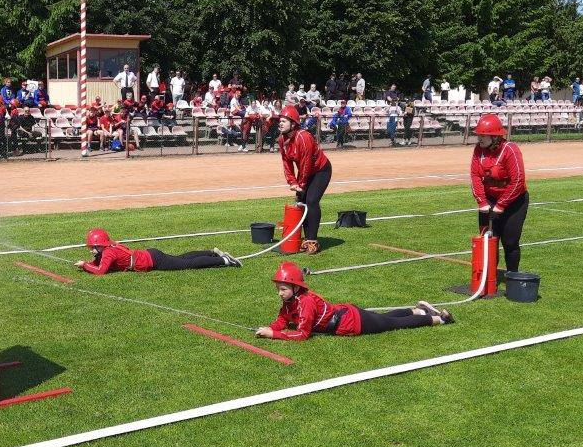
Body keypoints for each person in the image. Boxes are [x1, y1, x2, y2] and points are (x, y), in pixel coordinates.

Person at [255, 261, 453, 341]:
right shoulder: (291, 301)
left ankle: (439, 319)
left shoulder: (304, 302)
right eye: (278, 289)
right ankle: (417, 310)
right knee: (385, 319)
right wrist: (272, 327)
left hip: (352, 322)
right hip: (348, 314)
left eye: (283, 289)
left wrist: (274, 335)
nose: (280, 293)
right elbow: (283, 319)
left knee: (393, 324)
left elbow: (302, 334)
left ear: (296, 287)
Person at [470, 113, 529, 274]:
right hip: (489, 200)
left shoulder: (510, 150)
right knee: (488, 241)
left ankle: (512, 277)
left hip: (514, 202)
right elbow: (475, 175)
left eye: (483, 135)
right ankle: (489, 278)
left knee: (510, 241)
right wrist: (482, 201)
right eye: (479, 135)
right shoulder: (478, 150)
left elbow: (517, 180)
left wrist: (501, 205)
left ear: (494, 136)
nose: (479, 138)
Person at [277, 105, 332, 255]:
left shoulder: (303, 137)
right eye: (280, 121)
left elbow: (306, 163)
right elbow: (286, 163)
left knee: (312, 201)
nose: (280, 123)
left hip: (321, 171)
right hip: (305, 172)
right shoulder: (282, 139)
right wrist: (292, 182)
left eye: (284, 121)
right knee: (301, 202)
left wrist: (301, 184)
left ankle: (312, 241)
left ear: (293, 123)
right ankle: (305, 239)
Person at [76, 228, 240, 274]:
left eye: (93, 247)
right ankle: (211, 252)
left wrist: (84, 265)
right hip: (152, 254)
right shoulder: (110, 247)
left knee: (187, 264)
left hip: (154, 261)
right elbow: (99, 263)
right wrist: (89, 263)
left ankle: (224, 260)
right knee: (181, 258)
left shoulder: (108, 253)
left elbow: (100, 270)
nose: (91, 250)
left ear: (101, 245)